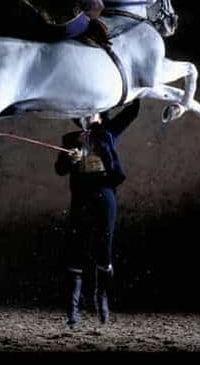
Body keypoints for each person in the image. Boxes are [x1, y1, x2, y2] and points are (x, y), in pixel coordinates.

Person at [55, 99, 140, 328]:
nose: (87, 115)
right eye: (83, 112)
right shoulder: (70, 138)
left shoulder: (109, 131)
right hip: (80, 196)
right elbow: (59, 170)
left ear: (101, 115)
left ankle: (101, 296)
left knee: (104, 247)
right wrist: (69, 159)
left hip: (104, 193)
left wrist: (132, 92)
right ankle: (73, 312)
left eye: (92, 112)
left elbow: (132, 111)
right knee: (75, 248)